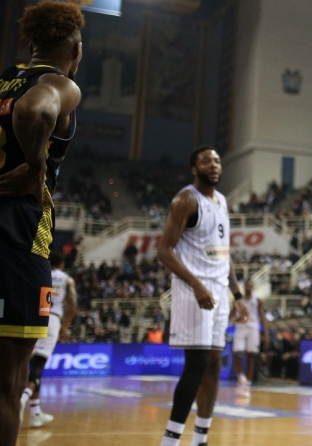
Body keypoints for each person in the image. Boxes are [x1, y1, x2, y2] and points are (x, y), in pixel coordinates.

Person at [0, 3, 84, 444]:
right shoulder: (58, 83)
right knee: (7, 387)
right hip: (17, 240)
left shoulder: (3, 80)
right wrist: (35, 166)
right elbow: (36, 110)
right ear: (77, 50)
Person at [157, 146, 249, 446]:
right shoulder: (186, 200)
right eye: (206, 161)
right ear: (195, 169)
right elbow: (164, 250)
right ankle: (170, 441)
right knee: (196, 364)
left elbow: (224, 253)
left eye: (217, 160)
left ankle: (200, 439)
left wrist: (237, 295)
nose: (214, 164)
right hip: (193, 291)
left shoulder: (221, 200)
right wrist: (197, 285)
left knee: (213, 365)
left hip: (219, 291)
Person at [20, 252, 76, 428]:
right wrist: (65, 325)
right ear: (62, 264)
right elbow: (73, 305)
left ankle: (36, 413)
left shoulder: (38, 272)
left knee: (32, 366)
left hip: (33, 318)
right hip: (52, 320)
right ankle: (22, 399)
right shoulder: (66, 279)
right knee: (38, 366)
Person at [231, 280, 266, 398]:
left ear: (253, 287)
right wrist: (229, 322)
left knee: (251, 357)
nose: (248, 287)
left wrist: (265, 332)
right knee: (237, 355)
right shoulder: (238, 300)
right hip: (240, 328)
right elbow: (232, 314)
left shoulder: (258, 300)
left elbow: (262, 316)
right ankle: (241, 378)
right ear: (244, 287)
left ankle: (248, 385)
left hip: (253, 329)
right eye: (246, 285)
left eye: (250, 285)